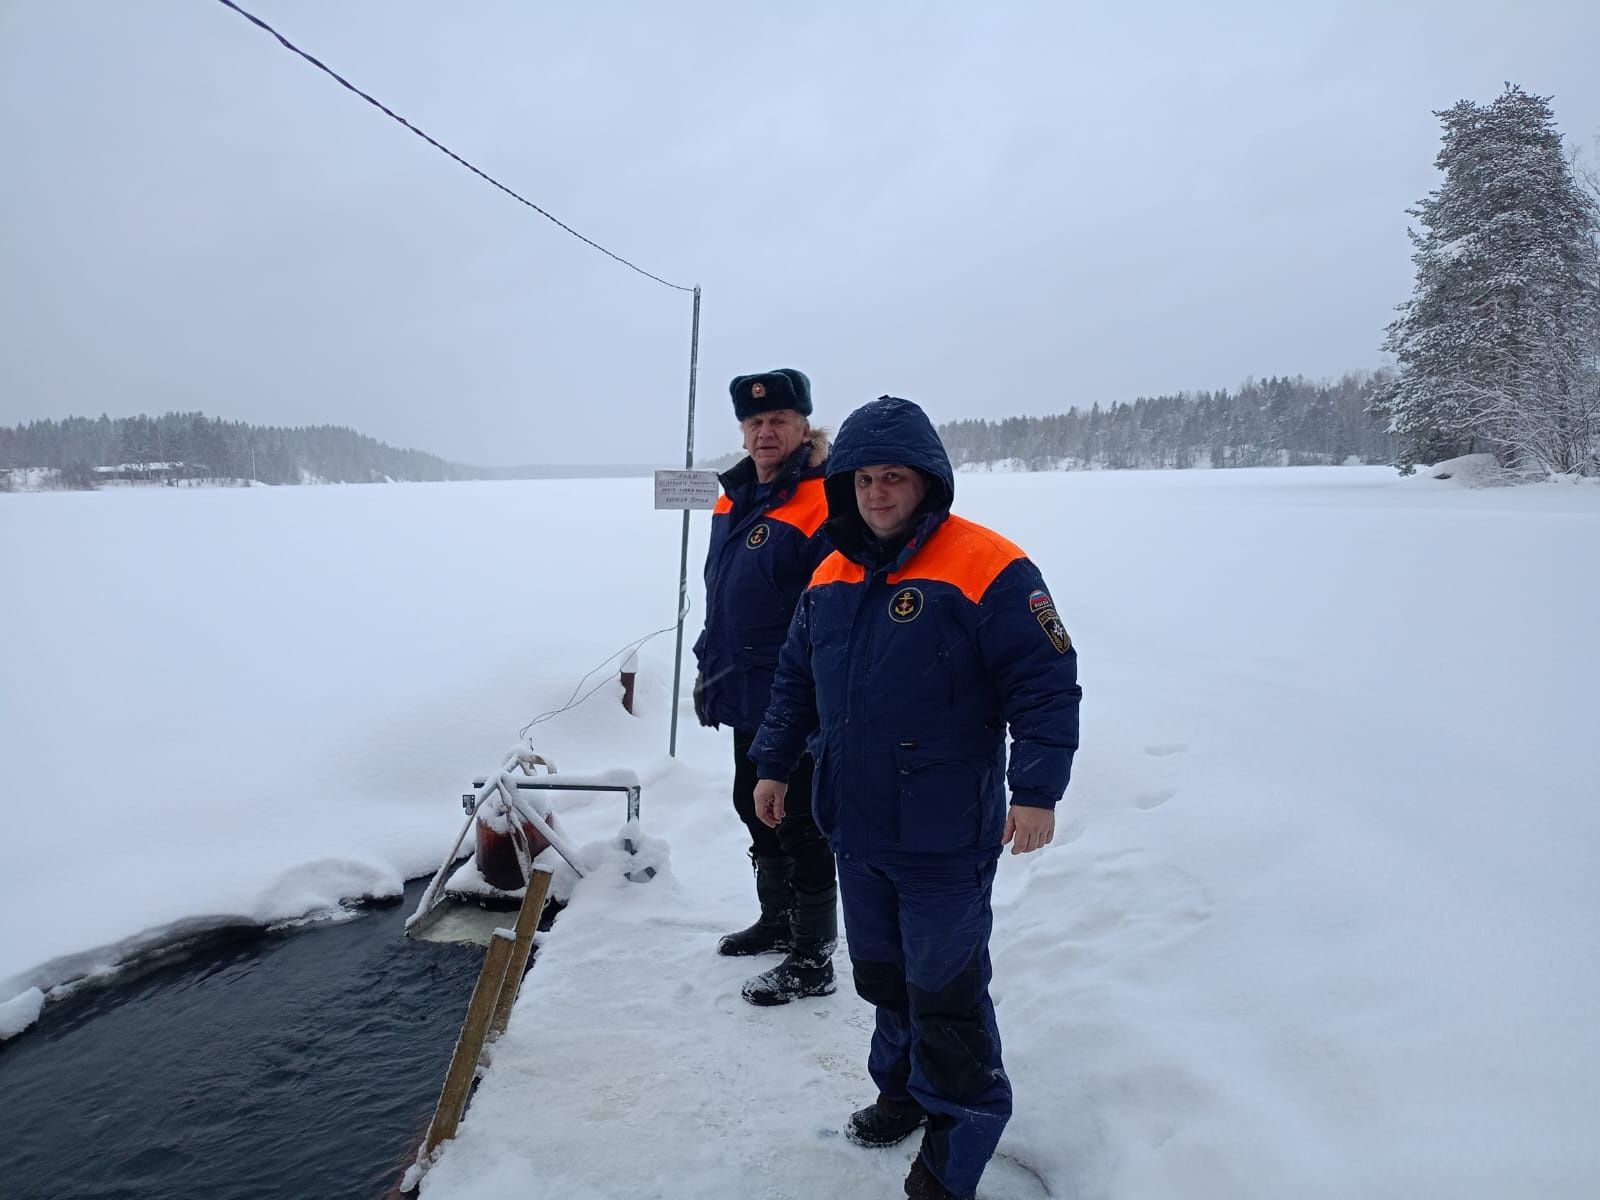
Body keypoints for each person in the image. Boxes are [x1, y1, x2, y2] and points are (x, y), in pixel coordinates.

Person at [750, 395, 1081, 1200]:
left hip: (942, 838)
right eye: (864, 479)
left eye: (894, 478)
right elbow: (796, 680)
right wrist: (772, 761)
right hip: (856, 829)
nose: (877, 494)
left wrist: (1035, 791)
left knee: (948, 996)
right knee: (886, 981)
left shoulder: (990, 566)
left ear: (928, 482)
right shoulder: (830, 571)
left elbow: (1045, 684)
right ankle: (898, 1093)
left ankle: (954, 1149)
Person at [692, 368, 840, 1006]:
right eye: (754, 423)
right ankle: (777, 923)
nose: (765, 431)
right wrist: (711, 663)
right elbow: (727, 592)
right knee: (750, 804)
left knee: (802, 820)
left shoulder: (825, 497)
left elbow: (830, 611)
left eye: (779, 420)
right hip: (745, 688)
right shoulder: (735, 494)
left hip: (798, 694)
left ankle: (814, 956)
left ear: (805, 426)